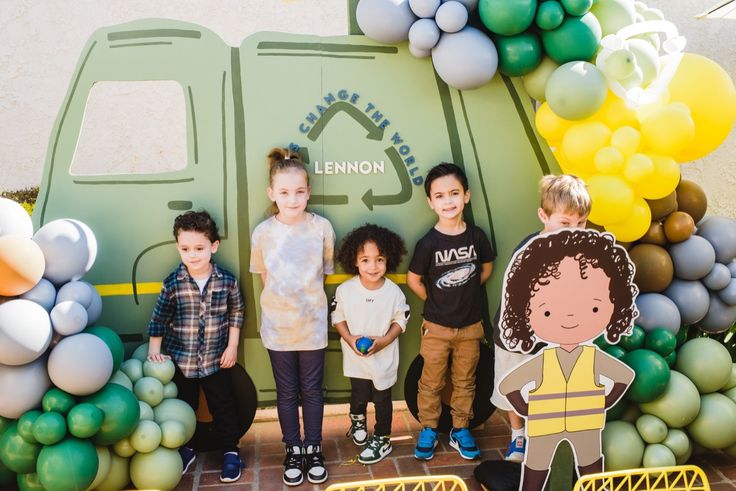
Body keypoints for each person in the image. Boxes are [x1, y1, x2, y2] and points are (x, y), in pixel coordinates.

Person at [498, 229, 638, 491]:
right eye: (548, 311)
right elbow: (509, 386)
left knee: (592, 472)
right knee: (535, 474)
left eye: (594, 308)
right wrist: (527, 409)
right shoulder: (545, 359)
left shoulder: (591, 356)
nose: (570, 318)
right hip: (544, 427)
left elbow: (624, 376)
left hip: (585, 425)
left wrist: (605, 401)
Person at [250, 147, 335, 487]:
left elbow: (323, 273)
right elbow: (264, 277)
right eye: (284, 192)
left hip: (312, 326)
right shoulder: (263, 233)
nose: (293, 199)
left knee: (312, 391)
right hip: (278, 328)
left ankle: (313, 448)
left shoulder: (322, 228)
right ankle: (293, 449)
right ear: (272, 193)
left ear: (309, 192)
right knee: (286, 393)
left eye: (299, 192)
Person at [491, 174, 591, 463]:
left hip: (551, 339)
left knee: (543, 392)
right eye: (565, 223)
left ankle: (539, 436)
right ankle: (517, 437)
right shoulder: (529, 251)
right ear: (543, 216)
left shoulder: (582, 252)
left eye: (581, 224)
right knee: (512, 390)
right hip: (515, 338)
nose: (573, 231)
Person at [147, 210, 245, 483]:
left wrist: (232, 346)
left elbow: (237, 312)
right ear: (178, 248)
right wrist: (154, 350)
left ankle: (231, 452)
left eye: (199, 248)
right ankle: (185, 449)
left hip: (216, 359)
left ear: (214, 246)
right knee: (183, 408)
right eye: (185, 248)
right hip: (182, 360)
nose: (193, 255)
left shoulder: (226, 281)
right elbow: (159, 318)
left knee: (222, 406)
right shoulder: (173, 283)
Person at [407, 162, 495, 461]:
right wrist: (436, 298)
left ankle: (461, 428)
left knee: (465, 380)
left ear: (466, 196)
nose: (448, 201)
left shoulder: (476, 236)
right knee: (431, 380)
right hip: (437, 326)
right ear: (431, 202)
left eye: (454, 193)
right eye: (440, 196)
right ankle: (429, 427)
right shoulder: (428, 243)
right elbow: (413, 280)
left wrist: (465, 293)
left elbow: (485, 269)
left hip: (471, 326)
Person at [331, 224, 410, 465]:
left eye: (379, 260)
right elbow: (338, 318)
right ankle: (357, 419)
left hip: (383, 360)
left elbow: (401, 319)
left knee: (382, 399)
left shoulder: (394, 292)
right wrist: (350, 338)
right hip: (356, 358)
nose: (373, 267)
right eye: (365, 260)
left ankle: (383, 438)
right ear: (354, 261)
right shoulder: (345, 290)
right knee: (359, 395)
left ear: (388, 260)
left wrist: (385, 340)